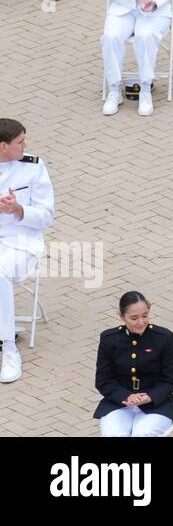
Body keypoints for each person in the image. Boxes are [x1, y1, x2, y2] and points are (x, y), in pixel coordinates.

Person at [0, 118, 53, 384]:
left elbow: (45, 216)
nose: (25, 146)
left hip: (21, 243)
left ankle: (8, 347)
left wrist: (18, 210)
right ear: (3, 147)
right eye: (20, 142)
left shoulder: (32, 167)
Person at [93, 291, 173, 436]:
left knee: (142, 434)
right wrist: (126, 396)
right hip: (118, 404)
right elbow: (104, 381)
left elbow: (171, 379)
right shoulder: (109, 339)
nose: (141, 322)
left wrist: (150, 396)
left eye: (145, 315)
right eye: (134, 318)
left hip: (156, 405)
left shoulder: (164, 338)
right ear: (122, 317)